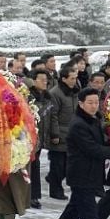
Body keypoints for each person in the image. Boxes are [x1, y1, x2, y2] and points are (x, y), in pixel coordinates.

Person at [49, 88, 110, 219]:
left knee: (75, 207)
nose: (94, 106)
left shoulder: (92, 120)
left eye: (97, 102)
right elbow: (92, 149)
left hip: (90, 173)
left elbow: (99, 140)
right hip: (81, 175)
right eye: (90, 103)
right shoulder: (78, 124)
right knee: (89, 215)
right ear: (81, 103)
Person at [46, 65, 79, 200]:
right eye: (72, 79)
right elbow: (53, 116)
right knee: (58, 166)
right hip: (59, 133)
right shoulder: (55, 93)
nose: (74, 81)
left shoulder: (75, 91)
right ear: (64, 79)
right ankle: (55, 190)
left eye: (75, 78)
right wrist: (55, 134)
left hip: (72, 133)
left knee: (68, 165)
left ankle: (52, 180)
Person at [28, 70, 52, 208]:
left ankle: (34, 196)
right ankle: (29, 196)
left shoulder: (47, 96)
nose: (45, 82)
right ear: (34, 80)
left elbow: (52, 116)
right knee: (31, 166)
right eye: (42, 79)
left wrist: (52, 133)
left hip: (42, 135)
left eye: (46, 80)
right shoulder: (29, 96)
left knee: (35, 166)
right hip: (30, 137)